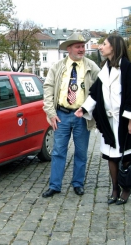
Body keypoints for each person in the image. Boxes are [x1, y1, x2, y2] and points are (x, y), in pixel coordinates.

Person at [75, 34, 131, 205]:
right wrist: (84, 108)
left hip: (123, 121)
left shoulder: (127, 68)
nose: (101, 47)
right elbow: (95, 94)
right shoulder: (104, 69)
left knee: (125, 156)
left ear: (113, 47)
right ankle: (115, 188)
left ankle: (126, 188)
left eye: (104, 44)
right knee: (111, 156)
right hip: (108, 122)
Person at [42, 32, 100, 198]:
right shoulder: (57, 67)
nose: (82, 49)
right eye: (78, 46)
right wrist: (51, 113)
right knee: (58, 151)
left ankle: (78, 183)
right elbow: (47, 89)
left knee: (81, 152)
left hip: (82, 116)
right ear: (69, 49)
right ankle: (55, 185)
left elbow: (102, 85)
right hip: (61, 115)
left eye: (83, 46)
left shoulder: (91, 66)